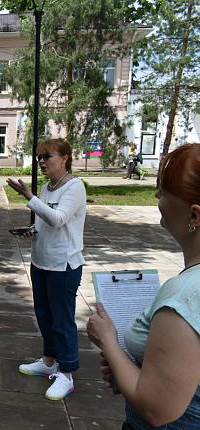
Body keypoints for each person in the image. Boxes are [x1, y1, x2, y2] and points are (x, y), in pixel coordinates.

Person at [88, 144, 200, 428]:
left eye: (163, 191)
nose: (156, 196)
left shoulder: (185, 296)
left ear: (195, 215)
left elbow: (155, 407)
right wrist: (131, 368)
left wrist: (108, 342)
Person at [6, 138, 86, 401]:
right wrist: (31, 230)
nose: (41, 161)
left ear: (64, 158)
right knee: (44, 315)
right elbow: (44, 222)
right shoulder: (48, 187)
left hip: (63, 265)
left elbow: (59, 218)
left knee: (62, 320)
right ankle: (49, 362)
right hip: (41, 261)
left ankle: (68, 373)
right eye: (39, 157)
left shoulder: (74, 187)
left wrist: (29, 197)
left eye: (47, 156)